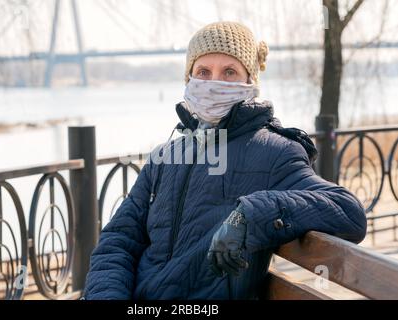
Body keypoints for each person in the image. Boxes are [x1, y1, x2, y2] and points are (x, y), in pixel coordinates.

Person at [83, 21, 366, 300]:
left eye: (229, 71)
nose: (214, 82)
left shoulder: (275, 152)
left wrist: (252, 215)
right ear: (189, 79)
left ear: (249, 81)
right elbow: (117, 242)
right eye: (203, 71)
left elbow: (348, 212)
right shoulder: (165, 157)